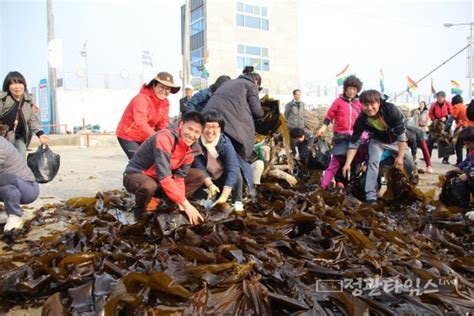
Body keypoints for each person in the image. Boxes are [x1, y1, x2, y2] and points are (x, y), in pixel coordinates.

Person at [122, 111, 206, 224]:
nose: (192, 135)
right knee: (148, 186)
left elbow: (179, 178)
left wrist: (180, 202)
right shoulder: (165, 138)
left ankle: (166, 204)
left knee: (198, 175)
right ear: (181, 125)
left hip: (159, 180)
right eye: (189, 129)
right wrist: (186, 204)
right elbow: (165, 177)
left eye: (197, 132)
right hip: (137, 175)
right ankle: (139, 215)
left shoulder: (192, 150)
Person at [342, 90, 415, 204]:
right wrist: (347, 163)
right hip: (378, 141)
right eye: (366, 105)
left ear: (379, 102)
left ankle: (411, 190)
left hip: (397, 141)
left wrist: (400, 157)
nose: (369, 108)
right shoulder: (362, 119)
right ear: (361, 105)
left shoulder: (391, 110)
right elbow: (354, 142)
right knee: (373, 164)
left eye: (373, 104)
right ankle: (371, 196)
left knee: (409, 164)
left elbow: (401, 135)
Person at [202, 66, 264, 198]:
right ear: (256, 81)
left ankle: (218, 189)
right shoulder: (250, 85)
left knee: (216, 158)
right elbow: (257, 111)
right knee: (239, 159)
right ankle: (249, 190)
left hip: (208, 121)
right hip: (230, 126)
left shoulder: (229, 83)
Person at [116, 72, 180, 159]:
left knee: (153, 161)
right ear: (154, 85)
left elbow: (163, 123)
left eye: (167, 89)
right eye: (161, 87)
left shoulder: (165, 103)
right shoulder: (142, 98)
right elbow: (140, 122)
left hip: (145, 136)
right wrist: (156, 137)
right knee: (138, 161)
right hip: (128, 135)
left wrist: (164, 136)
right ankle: (130, 172)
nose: (164, 91)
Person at [189, 111, 244, 209]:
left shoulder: (225, 143)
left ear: (220, 129)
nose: (210, 131)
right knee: (196, 174)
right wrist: (210, 185)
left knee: (236, 171)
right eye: (207, 126)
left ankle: (237, 201)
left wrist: (224, 197)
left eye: (214, 127)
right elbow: (199, 166)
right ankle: (208, 198)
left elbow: (232, 167)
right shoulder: (196, 143)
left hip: (222, 175)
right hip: (207, 176)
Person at [316, 75, 363, 189]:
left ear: (357, 90)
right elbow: (329, 115)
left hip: (355, 137)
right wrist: (323, 127)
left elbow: (365, 119)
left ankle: (351, 184)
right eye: (349, 88)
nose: (351, 91)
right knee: (338, 160)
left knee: (355, 161)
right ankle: (335, 183)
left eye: (354, 89)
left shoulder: (359, 103)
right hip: (340, 136)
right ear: (345, 89)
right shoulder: (338, 101)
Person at [0, 71, 48, 157]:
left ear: (24, 85)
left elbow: (33, 120)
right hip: (2, 138)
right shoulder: (3, 100)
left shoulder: (28, 101)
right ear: (8, 86)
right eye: (13, 84)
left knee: (21, 159)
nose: (17, 87)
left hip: (19, 137)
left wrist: (40, 134)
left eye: (20, 83)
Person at [0, 137, 40, 232]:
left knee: (3, 179)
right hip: (13, 184)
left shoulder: (1, 145)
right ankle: (9, 212)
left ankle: (15, 216)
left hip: (28, 188)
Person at [428, 91, 452, 164]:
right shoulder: (433, 104)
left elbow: (451, 114)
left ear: (444, 98)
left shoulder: (448, 104)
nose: (438, 99)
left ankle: (445, 159)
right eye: (437, 97)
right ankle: (427, 157)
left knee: (446, 140)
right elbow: (430, 114)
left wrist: (446, 117)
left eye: (440, 98)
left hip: (445, 124)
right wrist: (434, 119)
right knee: (430, 140)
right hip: (436, 124)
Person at [451, 95, 473, 165]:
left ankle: (459, 162)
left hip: (464, 127)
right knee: (470, 146)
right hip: (471, 127)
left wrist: (446, 128)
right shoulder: (464, 106)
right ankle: (469, 161)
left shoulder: (457, 106)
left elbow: (452, 118)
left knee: (459, 146)